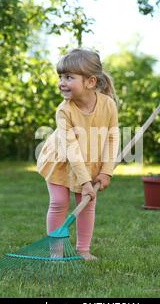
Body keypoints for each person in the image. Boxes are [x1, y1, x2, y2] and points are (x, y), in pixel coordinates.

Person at [36, 48, 120, 261]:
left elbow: (112, 138)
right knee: (58, 202)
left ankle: (83, 250)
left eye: (69, 77)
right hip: (61, 161)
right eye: (61, 77)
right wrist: (85, 182)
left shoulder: (108, 105)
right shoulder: (64, 110)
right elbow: (71, 149)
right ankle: (56, 252)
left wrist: (106, 172)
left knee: (87, 203)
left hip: (88, 161)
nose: (62, 82)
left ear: (90, 82)